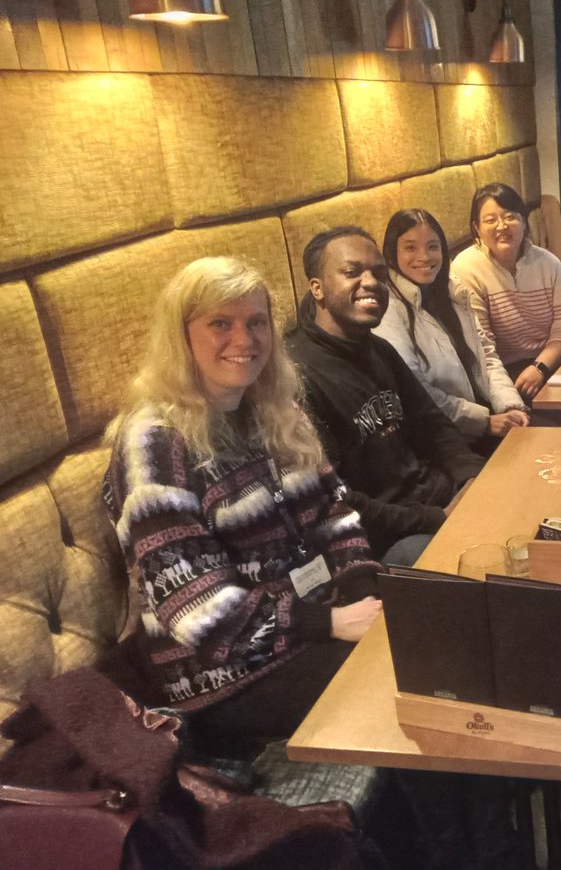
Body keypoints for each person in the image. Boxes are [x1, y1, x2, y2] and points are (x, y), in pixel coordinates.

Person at [102, 256, 383, 758]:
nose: (245, 340)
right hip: (219, 673)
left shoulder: (274, 407)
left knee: (436, 633)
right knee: (391, 681)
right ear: (180, 336)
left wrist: (360, 584)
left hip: (313, 619)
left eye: (256, 322)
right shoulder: (154, 443)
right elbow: (196, 609)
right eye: (220, 324)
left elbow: (334, 511)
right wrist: (332, 624)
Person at [286, 226, 484, 567]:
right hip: (389, 536)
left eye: (379, 272)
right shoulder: (297, 377)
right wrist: (437, 518)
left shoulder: (378, 349)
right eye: (352, 272)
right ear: (316, 288)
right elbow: (338, 501)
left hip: (437, 498)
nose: (371, 282)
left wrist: (474, 479)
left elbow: (432, 425)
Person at [375, 208, 529, 447]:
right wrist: (484, 422)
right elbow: (415, 390)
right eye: (410, 247)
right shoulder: (389, 309)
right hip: (445, 439)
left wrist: (509, 405)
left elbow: (486, 355)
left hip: (487, 420)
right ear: (391, 253)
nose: (424, 256)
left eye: (433, 246)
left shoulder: (454, 291)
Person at [451, 182, 561, 400]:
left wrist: (540, 367)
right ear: (477, 228)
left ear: (523, 220)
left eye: (510, 216)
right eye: (490, 220)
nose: (502, 226)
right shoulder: (466, 269)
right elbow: (483, 346)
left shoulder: (548, 263)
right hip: (502, 373)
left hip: (551, 361)